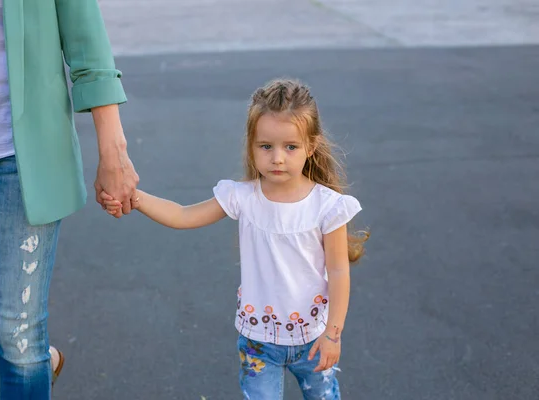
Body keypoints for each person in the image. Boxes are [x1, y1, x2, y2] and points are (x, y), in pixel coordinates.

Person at [101, 79, 369, 399]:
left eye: (291, 147)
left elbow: (339, 272)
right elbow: (184, 215)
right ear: (251, 145)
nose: (278, 158)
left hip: (314, 340)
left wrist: (333, 335)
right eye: (266, 146)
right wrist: (135, 197)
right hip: (258, 343)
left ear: (311, 146)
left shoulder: (327, 207)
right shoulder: (242, 197)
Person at [0, 1, 138, 399]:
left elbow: (87, 41)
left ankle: (30, 360)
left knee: (19, 336)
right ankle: (39, 362)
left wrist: (113, 151)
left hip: (23, 156)